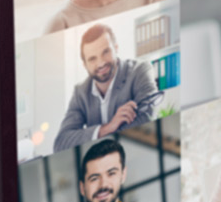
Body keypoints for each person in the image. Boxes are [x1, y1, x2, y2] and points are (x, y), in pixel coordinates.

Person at [53, 25, 162, 153]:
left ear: (116, 48)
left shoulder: (140, 70)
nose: (101, 63)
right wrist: (108, 128)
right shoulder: (80, 92)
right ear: (85, 65)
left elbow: (148, 120)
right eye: (92, 59)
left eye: (106, 52)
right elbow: (61, 143)